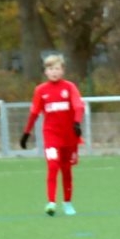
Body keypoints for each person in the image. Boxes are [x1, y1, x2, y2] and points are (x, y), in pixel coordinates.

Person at [19, 54, 85, 216]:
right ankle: (51, 202)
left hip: (69, 136)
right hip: (51, 136)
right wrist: (26, 132)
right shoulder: (41, 90)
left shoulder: (69, 87)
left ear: (62, 71)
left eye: (57, 68)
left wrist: (77, 123)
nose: (54, 72)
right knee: (53, 166)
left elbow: (78, 106)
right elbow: (34, 113)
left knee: (66, 170)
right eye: (50, 69)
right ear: (45, 72)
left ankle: (68, 203)